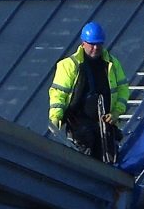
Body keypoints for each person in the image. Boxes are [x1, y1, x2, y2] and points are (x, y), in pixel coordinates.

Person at [49, 21, 129, 163]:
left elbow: (123, 89)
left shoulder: (112, 64)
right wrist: (56, 117)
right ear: (83, 43)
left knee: (110, 158)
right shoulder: (69, 65)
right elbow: (58, 93)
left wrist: (116, 112)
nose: (95, 48)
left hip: (104, 123)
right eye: (92, 44)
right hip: (79, 123)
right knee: (85, 158)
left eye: (99, 44)